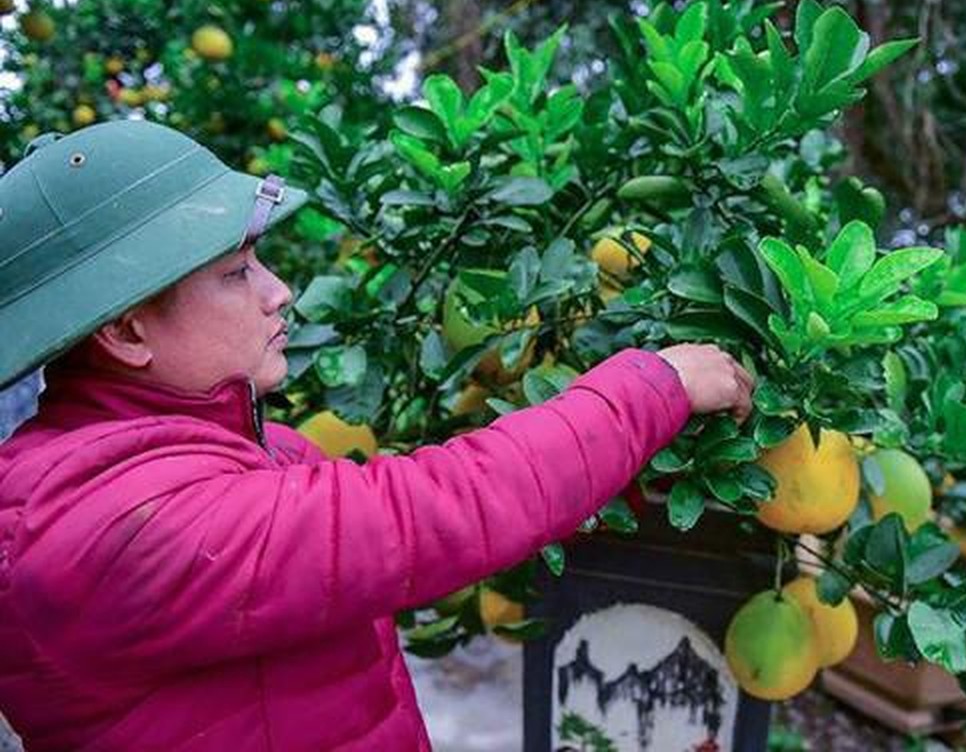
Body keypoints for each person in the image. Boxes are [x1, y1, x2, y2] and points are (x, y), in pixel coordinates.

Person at [0, 120, 754, 751]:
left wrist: (638, 461)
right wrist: (652, 389)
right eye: (236, 273)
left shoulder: (242, 452)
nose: (277, 292)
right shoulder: (104, 528)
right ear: (128, 330)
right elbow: (429, 509)